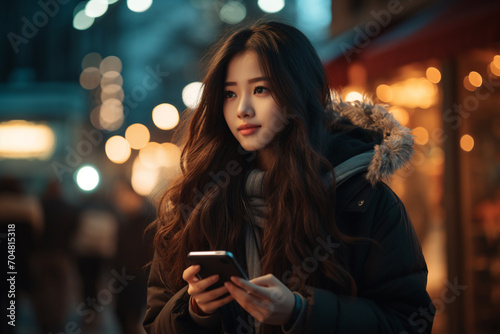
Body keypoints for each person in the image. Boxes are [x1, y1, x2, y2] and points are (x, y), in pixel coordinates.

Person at [144, 21, 433, 334]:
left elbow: (410, 322)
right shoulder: (196, 201)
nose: (242, 109)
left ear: (299, 93)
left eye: (260, 90)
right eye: (229, 93)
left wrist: (301, 312)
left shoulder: (363, 200)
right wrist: (194, 310)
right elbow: (154, 324)